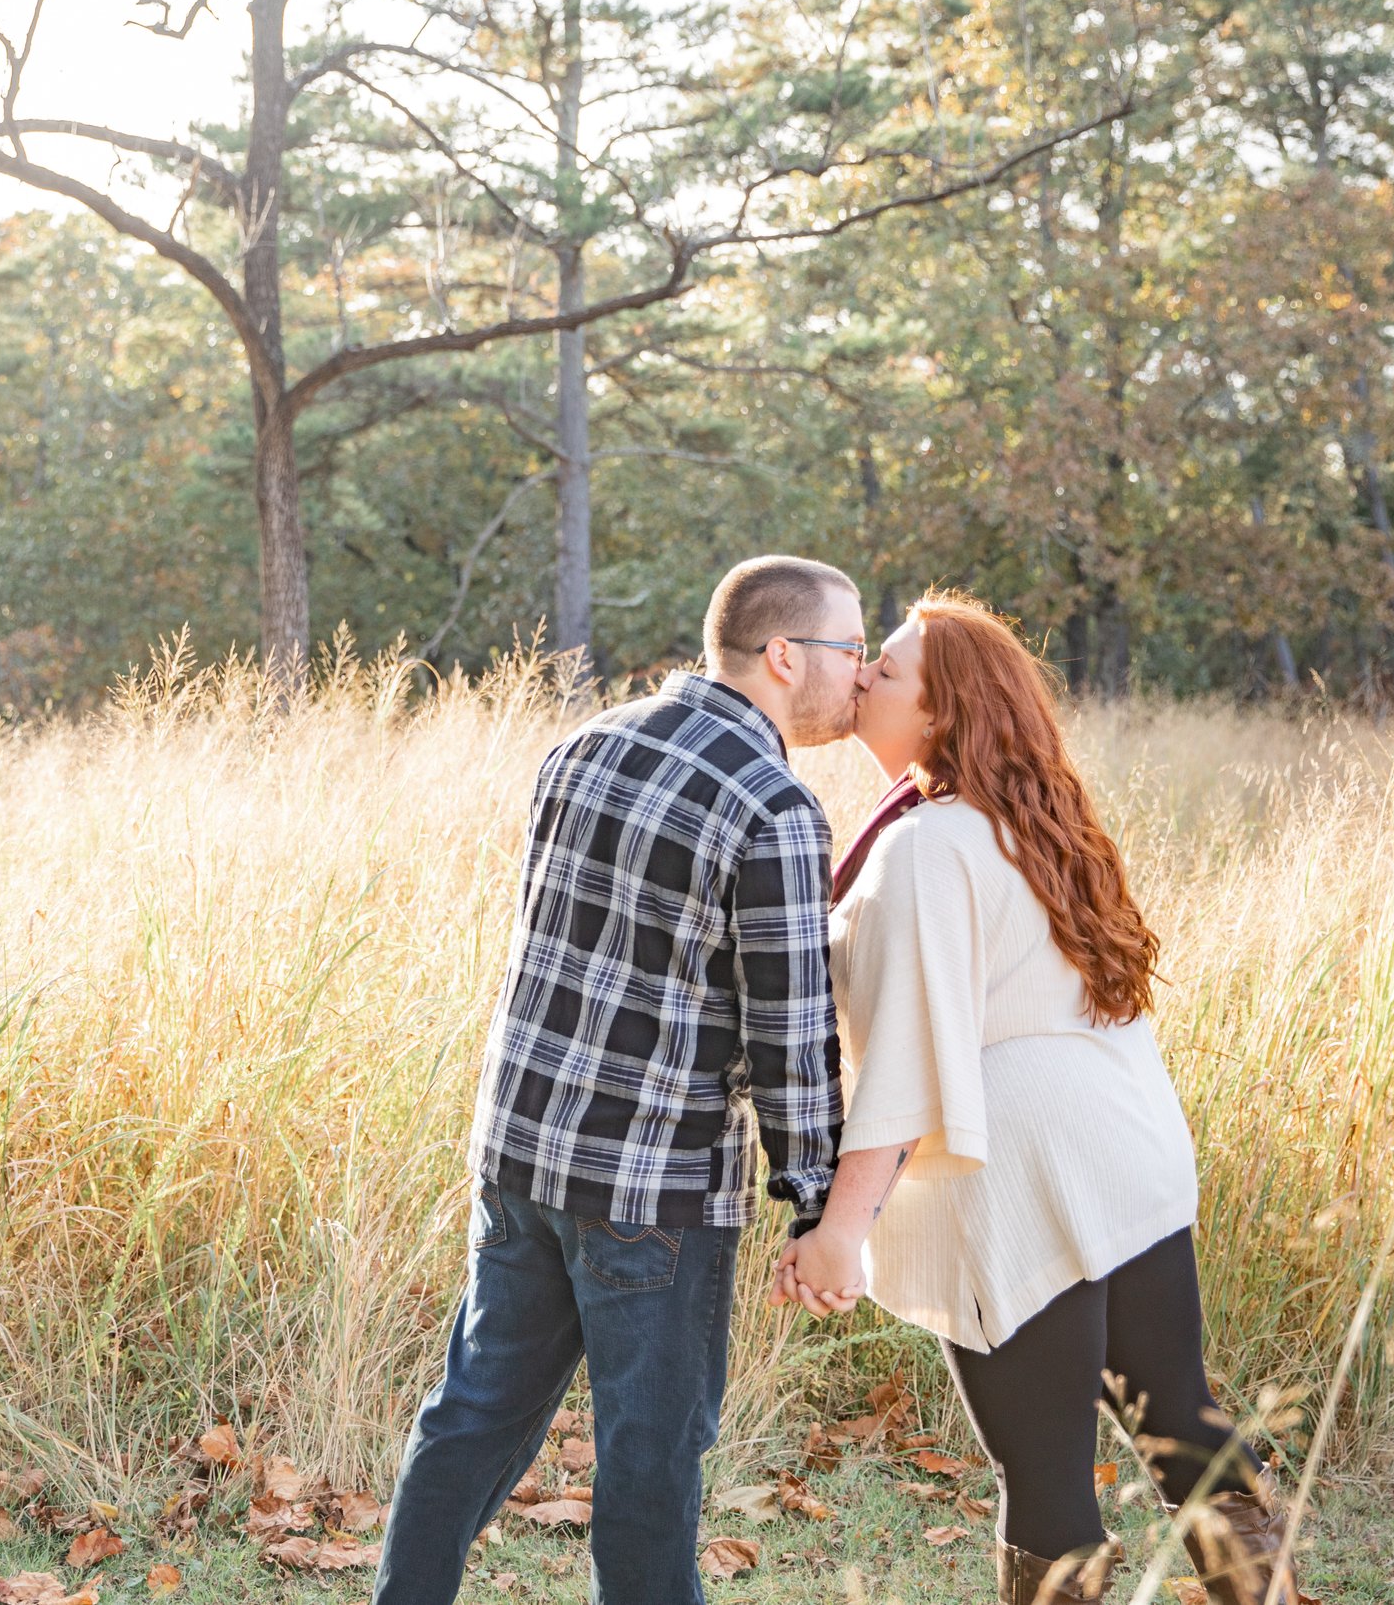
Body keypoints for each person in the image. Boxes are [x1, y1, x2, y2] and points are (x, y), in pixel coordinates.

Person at [773, 591, 1300, 1605]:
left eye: (885, 667)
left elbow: (908, 1062)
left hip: (1019, 1167)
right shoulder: (1036, 823)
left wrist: (843, 1225)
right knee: (1179, 1422)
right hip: (1129, 1143)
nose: (863, 675)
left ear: (939, 714)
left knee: (1048, 1468)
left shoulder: (926, 846)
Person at [373, 556, 872, 1605]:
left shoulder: (580, 746)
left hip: (521, 1156)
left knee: (470, 1415)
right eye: (851, 648)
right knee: (650, 1459)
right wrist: (821, 1202)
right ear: (784, 655)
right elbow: (791, 1034)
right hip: (651, 1190)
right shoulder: (771, 803)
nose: (860, 673)